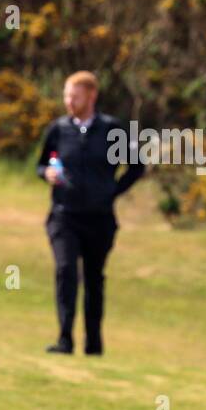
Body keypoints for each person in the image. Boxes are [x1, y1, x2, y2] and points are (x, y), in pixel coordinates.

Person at [35, 71, 143, 356]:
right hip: (64, 215)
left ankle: (93, 344)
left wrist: (112, 192)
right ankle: (64, 339)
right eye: (67, 96)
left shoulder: (111, 129)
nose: (69, 102)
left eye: (75, 96)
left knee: (94, 279)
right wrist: (46, 173)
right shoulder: (59, 130)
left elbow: (137, 166)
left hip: (99, 218)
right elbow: (41, 164)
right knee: (65, 270)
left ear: (91, 96)